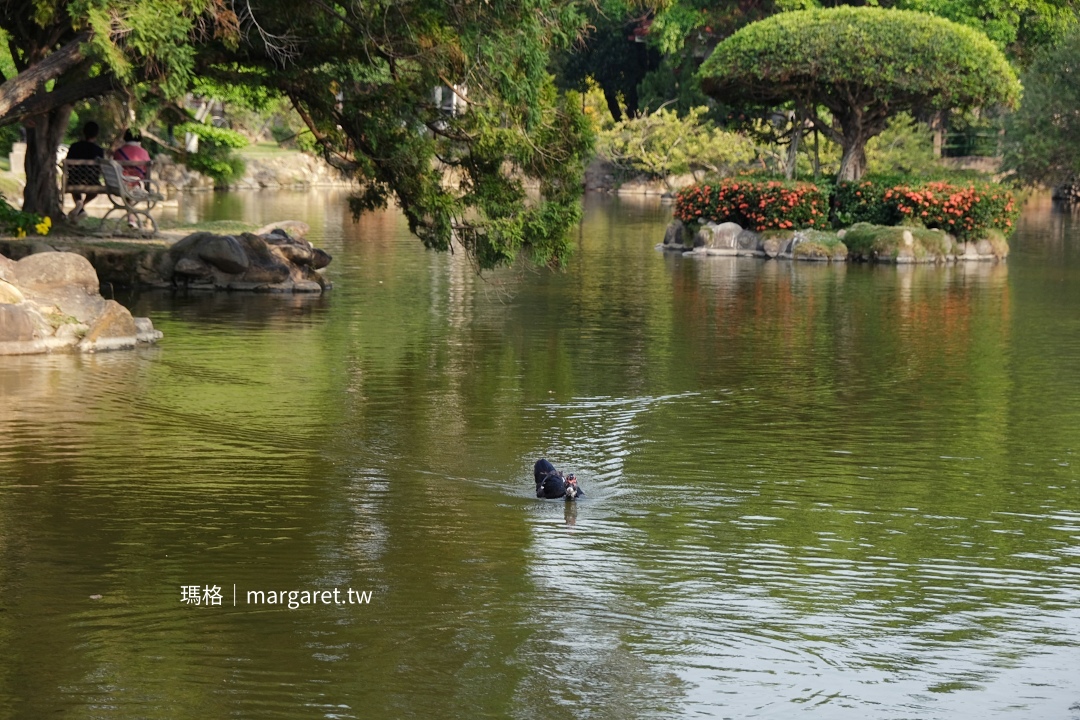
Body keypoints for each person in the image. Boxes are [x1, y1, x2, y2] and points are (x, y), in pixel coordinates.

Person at [113, 129, 152, 228]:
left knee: (128, 188)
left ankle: (131, 218)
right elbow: (146, 172)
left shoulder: (118, 152)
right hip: (136, 185)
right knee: (132, 188)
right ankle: (142, 220)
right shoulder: (143, 153)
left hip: (120, 185)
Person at [66, 121, 104, 220]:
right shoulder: (99, 150)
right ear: (97, 134)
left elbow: (68, 165)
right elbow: (100, 169)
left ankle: (79, 204)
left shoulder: (74, 147)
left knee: (74, 184)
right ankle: (82, 206)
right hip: (92, 182)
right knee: (95, 191)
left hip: (74, 181)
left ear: (84, 132)